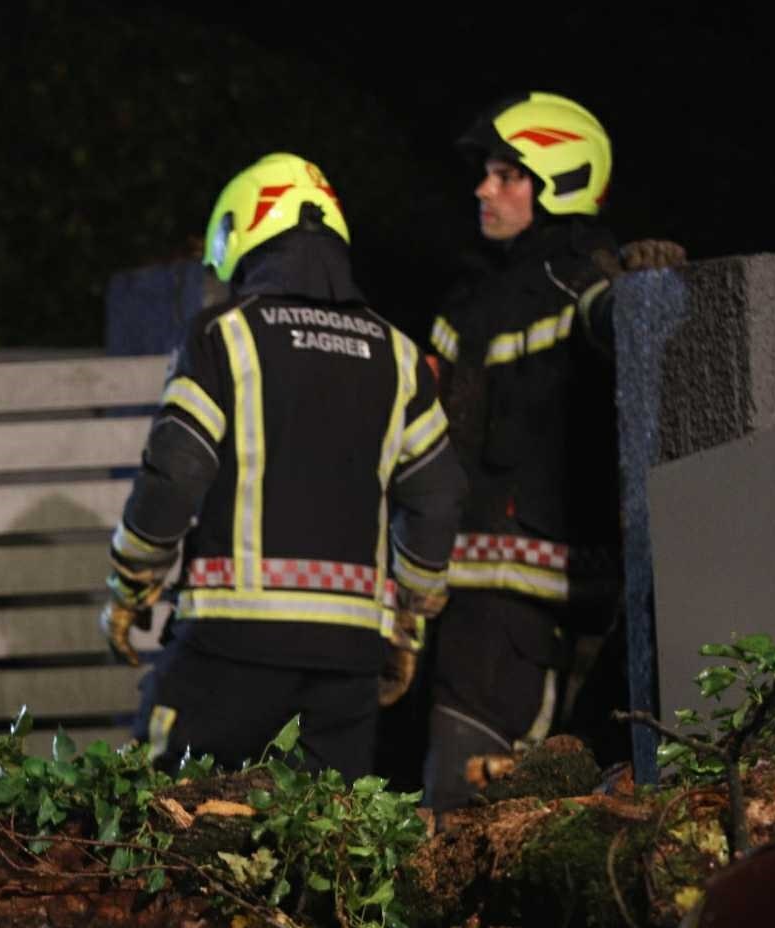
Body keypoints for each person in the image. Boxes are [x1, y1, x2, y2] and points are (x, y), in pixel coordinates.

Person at [101, 153, 466, 780]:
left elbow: (176, 476)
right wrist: (406, 627)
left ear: (243, 233)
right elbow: (438, 499)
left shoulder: (223, 338)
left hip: (228, 646)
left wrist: (131, 585)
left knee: (168, 824)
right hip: (348, 662)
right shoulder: (399, 356)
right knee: (325, 846)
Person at [422, 91, 683, 811]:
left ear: (559, 179)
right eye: (488, 173)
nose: (485, 188)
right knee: (474, 800)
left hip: (552, 610)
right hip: (479, 604)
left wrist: (645, 294)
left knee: (485, 803)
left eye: (509, 174)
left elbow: (628, 330)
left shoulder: (585, 278)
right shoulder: (472, 299)